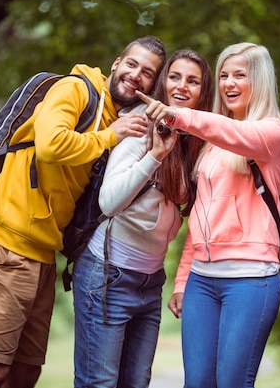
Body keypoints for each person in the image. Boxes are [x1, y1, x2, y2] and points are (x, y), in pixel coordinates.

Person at [0, 35, 167, 388]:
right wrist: (108, 137)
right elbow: (51, 144)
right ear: (116, 63)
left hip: (43, 255)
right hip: (6, 241)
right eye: (132, 64)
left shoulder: (123, 120)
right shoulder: (76, 89)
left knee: (26, 371)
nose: (136, 75)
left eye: (148, 73)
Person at [139, 42, 280, 388]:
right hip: (202, 282)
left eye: (241, 74)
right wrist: (182, 281)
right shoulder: (211, 143)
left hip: (251, 278)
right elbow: (200, 217)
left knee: (232, 383)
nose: (229, 83)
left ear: (261, 81)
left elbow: (233, 133)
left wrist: (176, 115)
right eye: (223, 75)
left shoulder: (272, 135)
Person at [71, 48, 214, 388]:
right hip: (107, 274)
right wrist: (153, 156)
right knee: (100, 382)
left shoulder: (193, 141)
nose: (182, 86)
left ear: (203, 92)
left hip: (150, 281)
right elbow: (109, 201)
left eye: (193, 81)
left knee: (136, 382)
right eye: (175, 77)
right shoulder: (139, 123)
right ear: (163, 83)